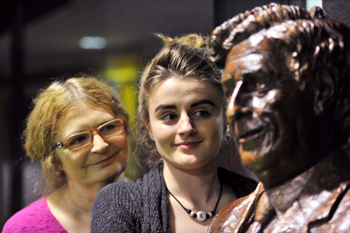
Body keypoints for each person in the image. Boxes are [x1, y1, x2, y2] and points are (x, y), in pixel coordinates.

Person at [91, 34, 257, 233]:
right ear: (150, 128)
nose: (186, 127)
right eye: (169, 116)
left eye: (201, 112)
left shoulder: (257, 201)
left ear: (226, 119)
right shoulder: (120, 204)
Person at [207, 3, 350, 233]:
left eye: (259, 85)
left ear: (323, 89)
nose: (233, 110)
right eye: (229, 92)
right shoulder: (226, 222)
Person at [2, 76, 130, 233]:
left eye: (108, 127)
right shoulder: (24, 229)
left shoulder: (158, 207)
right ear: (55, 160)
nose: (101, 145)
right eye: (78, 139)